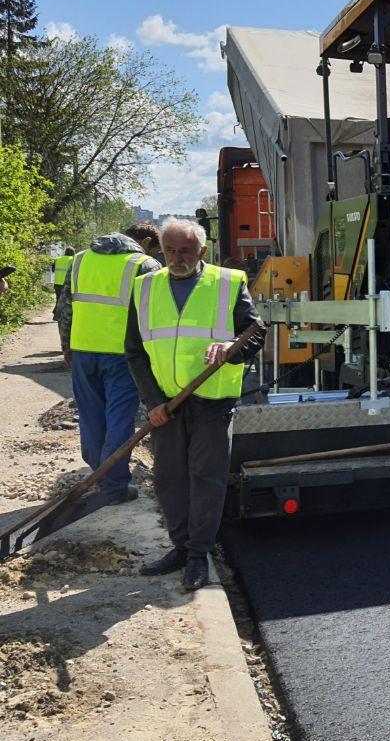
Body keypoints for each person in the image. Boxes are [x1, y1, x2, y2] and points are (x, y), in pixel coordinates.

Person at [127, 218, 263, 592]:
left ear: (202, 251)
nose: (176, 257)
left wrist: (230, 350)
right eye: (169, 250)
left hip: (212, 400)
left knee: (205, 476)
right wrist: (153, 402)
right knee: (169, 477)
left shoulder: (227, 283)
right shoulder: (144, 287)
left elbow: (255, 333)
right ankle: (180, 546)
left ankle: (198, 554)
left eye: (185, 250)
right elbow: (134, 352)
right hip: (168, 404)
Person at [56, 227, 163, 504]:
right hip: (123, 356)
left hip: (83, 350)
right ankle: (113, 486)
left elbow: (65, 306)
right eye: (155, 248)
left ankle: (99, 472)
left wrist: (66, 344)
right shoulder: (145, 264)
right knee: (119, 418)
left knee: (91, 417)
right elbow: (155, 316)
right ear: (147, 242)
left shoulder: (80, 259)